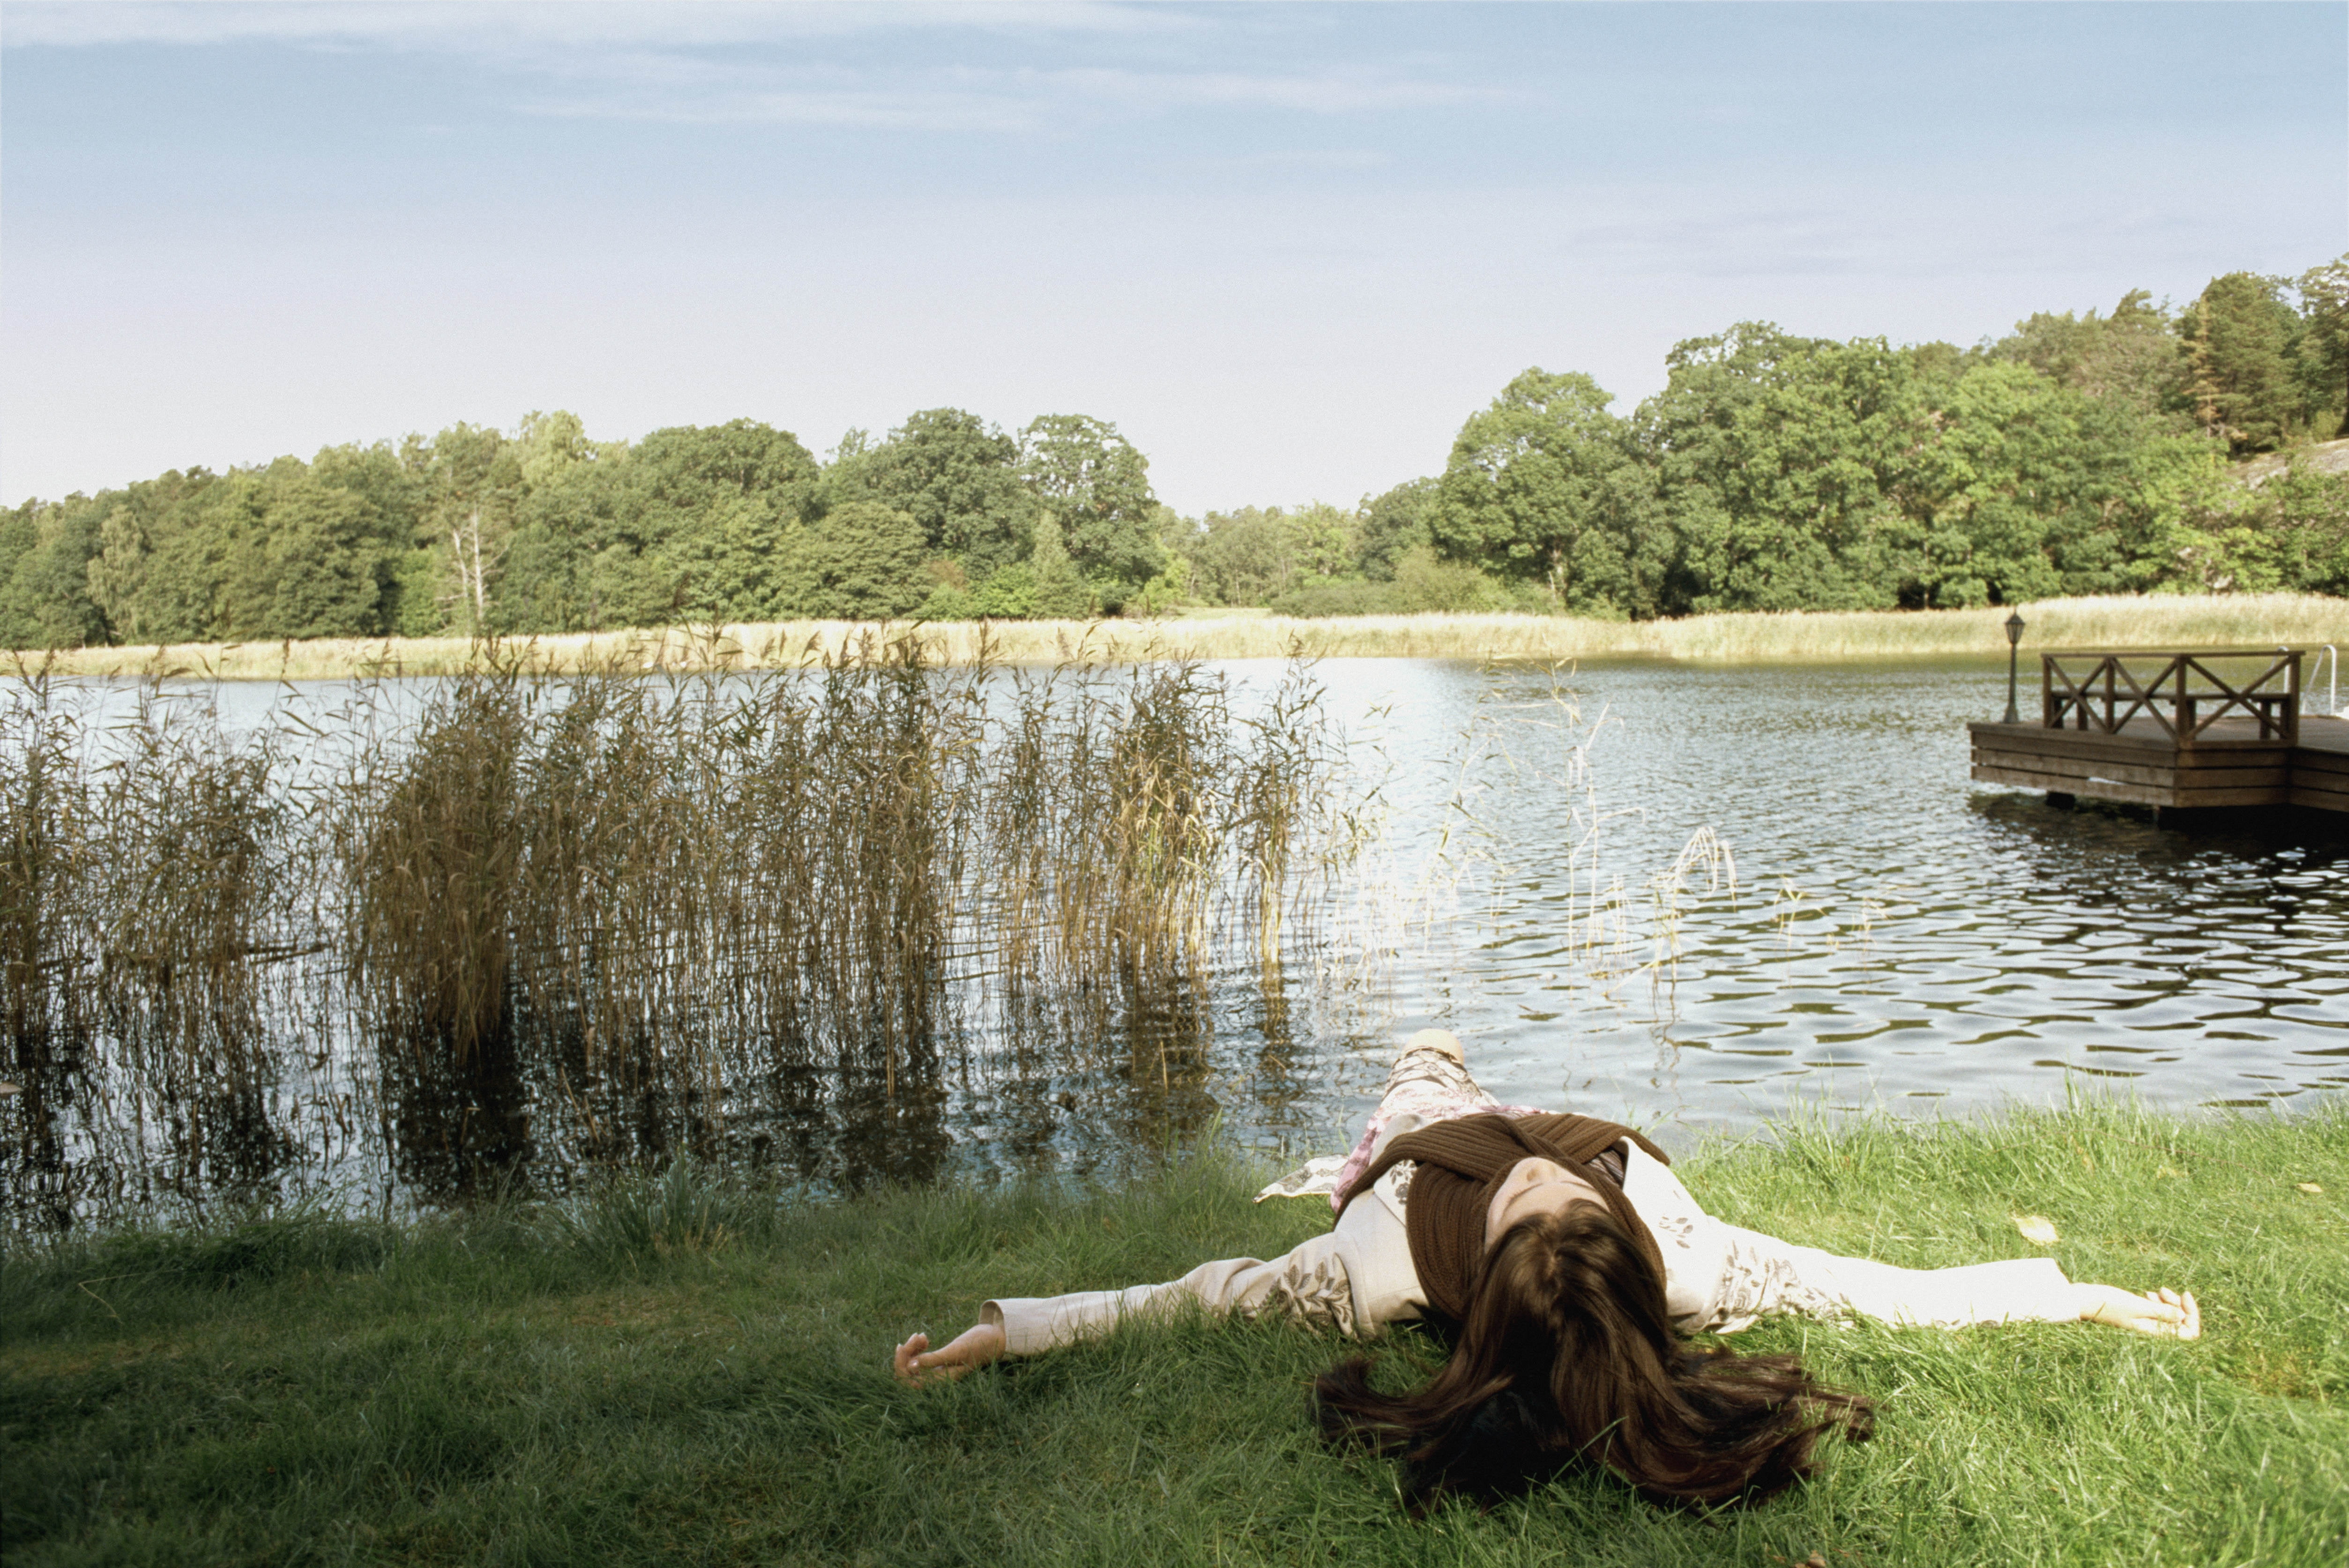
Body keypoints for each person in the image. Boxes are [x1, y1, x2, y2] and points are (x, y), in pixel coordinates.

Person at [892, 1030, 2200, 1509]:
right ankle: (1429, 1069)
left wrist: (1002, 1330)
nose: (1547, 1182)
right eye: (1556, 1199)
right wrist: (2074, 1293)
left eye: (1552, 1203)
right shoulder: (1668, 1263)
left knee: (1425, 1073)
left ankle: (1406, 1089)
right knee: (1443, 1064)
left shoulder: (1385, 1264)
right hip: (1462, 1125)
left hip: (1415, 1149)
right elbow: (1876, 1285)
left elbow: (1189, 1291)